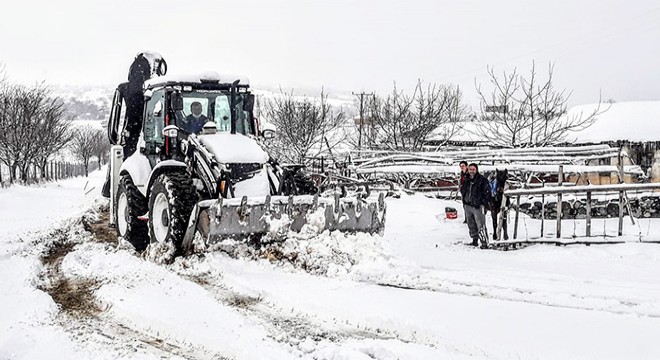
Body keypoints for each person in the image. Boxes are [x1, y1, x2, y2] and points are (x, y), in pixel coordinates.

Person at [460, 163, 492, 248]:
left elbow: (488, 193)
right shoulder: (466, 179)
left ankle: (484, 243)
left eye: (473, 169)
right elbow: (463, 189)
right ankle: (474, 240)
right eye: (470, 169)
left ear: (476, 170)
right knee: (471, 224)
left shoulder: (482, 180)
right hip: (468, 205)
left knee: (480, 225)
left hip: (478, 206)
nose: (472, 171)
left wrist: (482, 203)